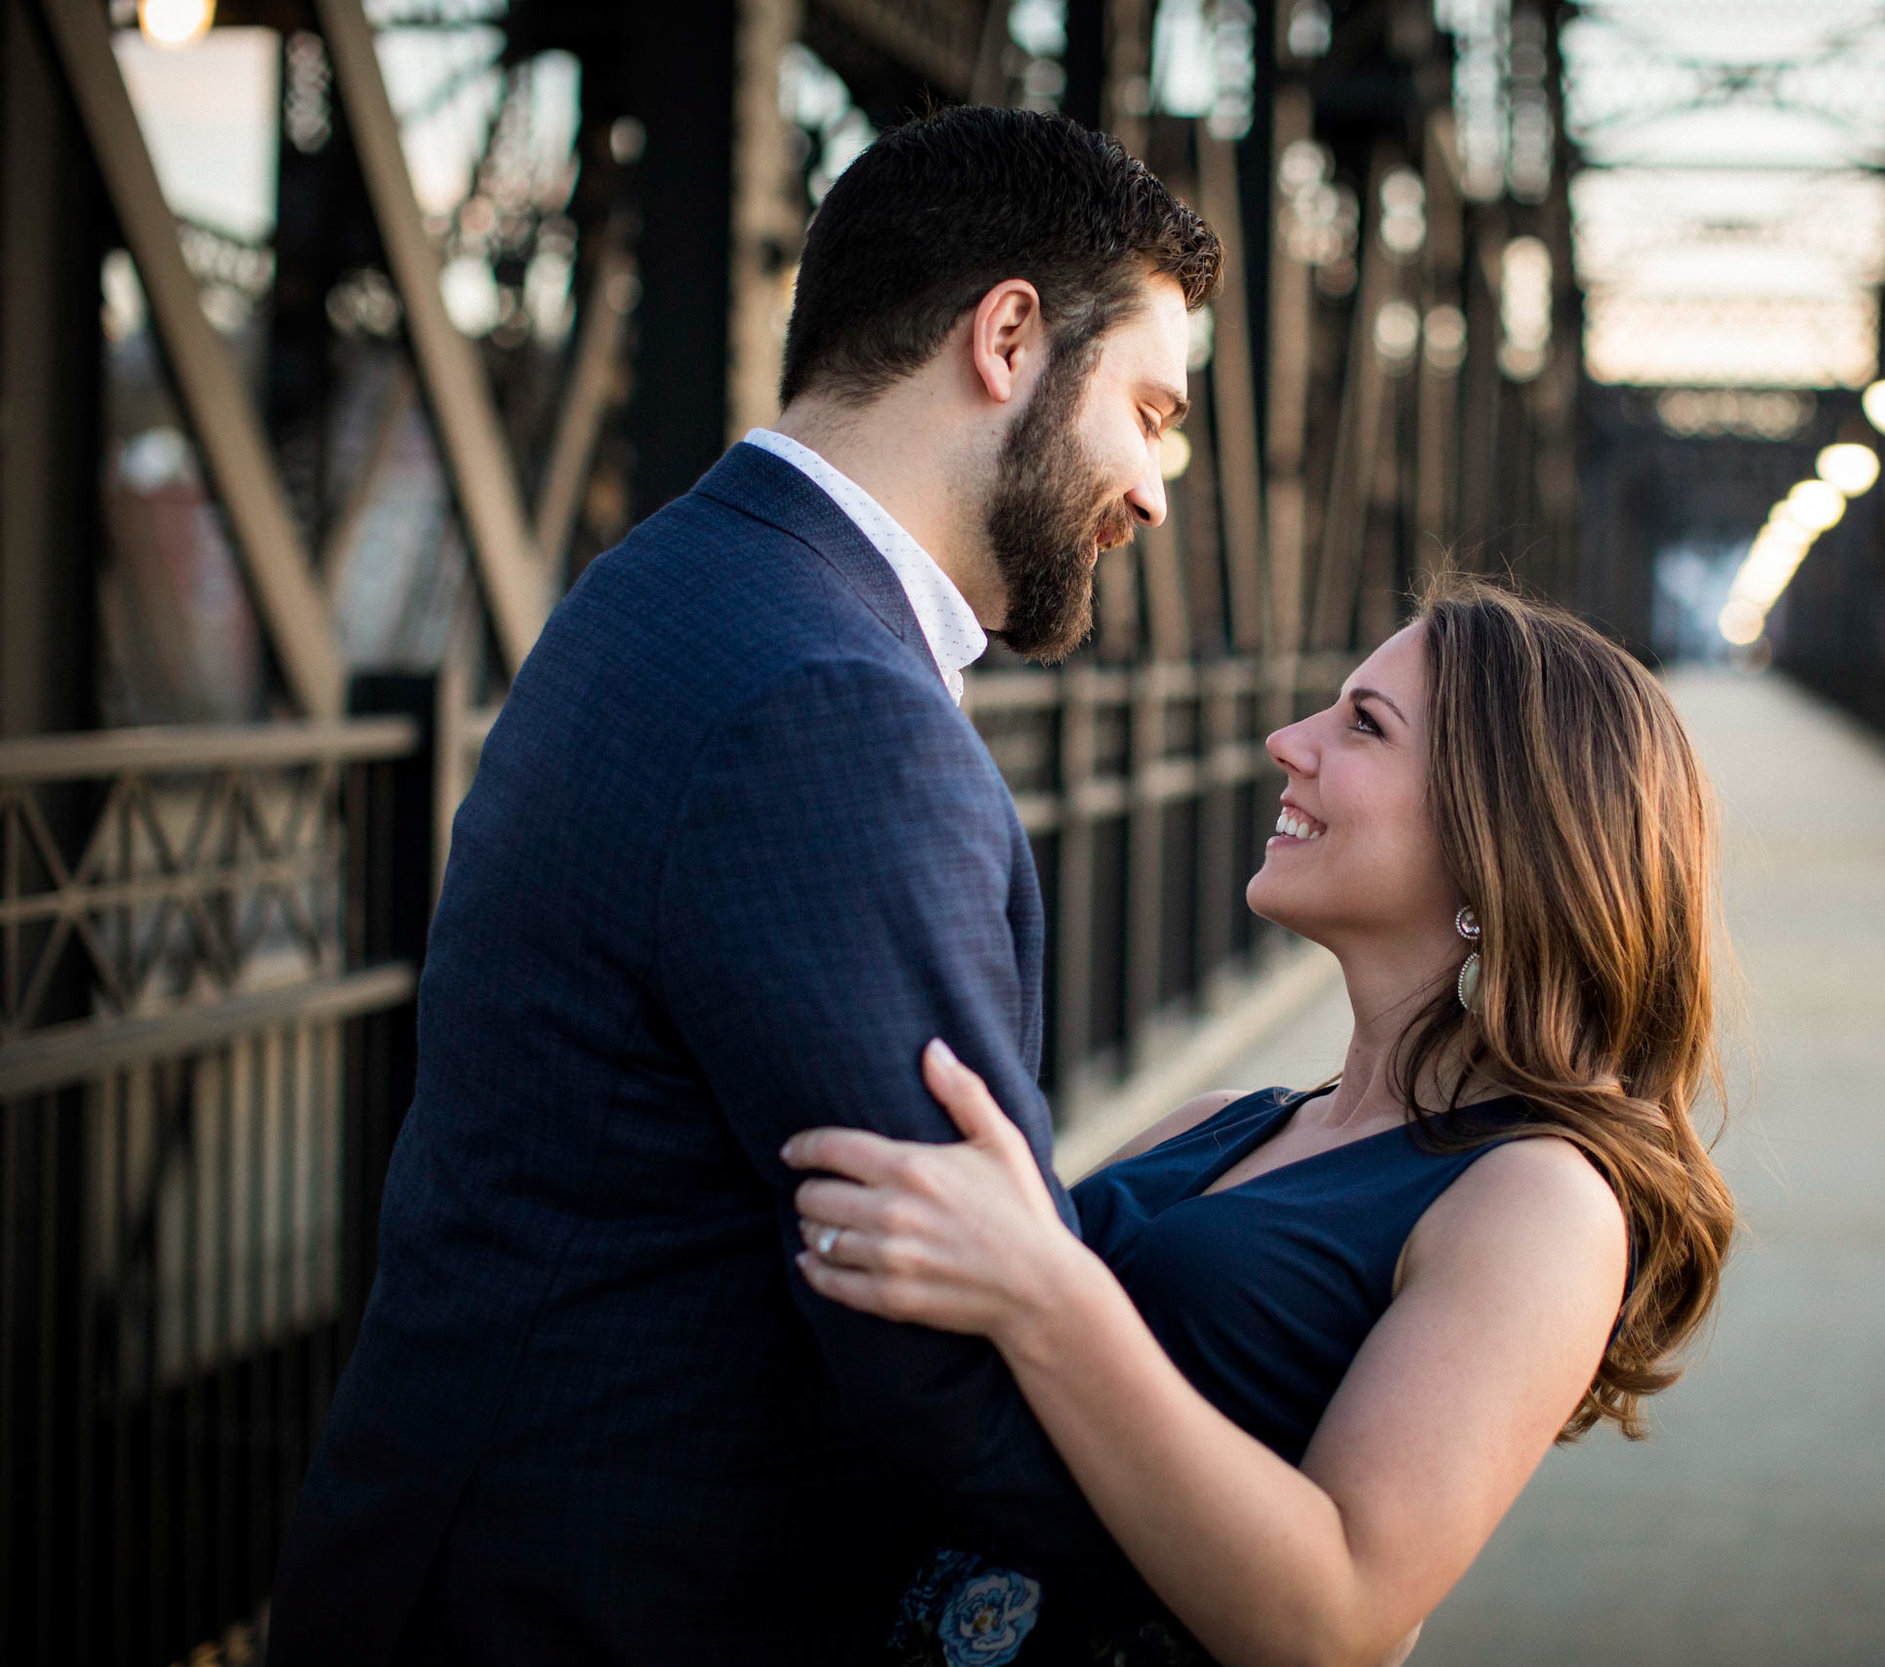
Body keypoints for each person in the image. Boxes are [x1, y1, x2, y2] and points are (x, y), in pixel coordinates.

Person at [266, 107, 1217, 1665]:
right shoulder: (830, 703)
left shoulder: (674, 579)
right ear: (1008, 337)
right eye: (1152, 409)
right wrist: (1274, 1555)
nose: (1158, 488)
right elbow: (940, 1345)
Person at [783, 576, 1740, 1666]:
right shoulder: (1216, 1121)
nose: (1288, 741)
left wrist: (1042, 1292)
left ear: (1497, 840)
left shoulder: (1539, 1201)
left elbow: (1333, 1618)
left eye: (1362, 725)